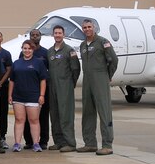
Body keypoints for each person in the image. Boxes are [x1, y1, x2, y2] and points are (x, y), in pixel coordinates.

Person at [78, 18, 119, 155]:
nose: (87, 29)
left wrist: (108, 75)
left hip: (100, 78)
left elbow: (113, 59)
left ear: (94, 27)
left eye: (89, 27)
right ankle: (90, 143)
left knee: (104, 111)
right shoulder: (83, 45)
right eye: (85, 27)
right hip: (87, 80)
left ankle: (107, 144)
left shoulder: (103, 42)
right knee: (87, 112)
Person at [47, 24, 81, 153]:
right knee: (54, 115)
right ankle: (59, 142)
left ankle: (70, 143)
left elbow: (76, 69)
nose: (57, 35)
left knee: (66, 115)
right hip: (53, 88)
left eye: (60, 33)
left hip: (65, 87)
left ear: (63, 35)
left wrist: (69, 84)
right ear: (53, 35)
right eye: (55, 33)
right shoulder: (50, 51)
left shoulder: (69, 50)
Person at [10, 40, 47, 152]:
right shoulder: (16, 63)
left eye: (29, 48)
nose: (27, 50)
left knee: (34, 120)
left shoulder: (38, 63)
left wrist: (42, 95)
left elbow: (43, 80)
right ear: (22, 49)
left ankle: (36, 143)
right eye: (25, 48)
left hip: (33, 97)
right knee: (19, 120)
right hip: (18, 97)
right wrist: (10, 95)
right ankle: (17, 143)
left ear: (33, 50)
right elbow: (12, 81)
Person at [20, 29, 50, 149]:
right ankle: (29, 141)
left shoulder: (45, 53)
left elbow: (48, 71)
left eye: (37, 35)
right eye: (33, 35)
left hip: (41, 90)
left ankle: (43, 141)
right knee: (28, 117)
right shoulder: (23, 52)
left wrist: (43, 92)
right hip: (27, 90)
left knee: (42, 116)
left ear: (40, 37)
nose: (35, 37)